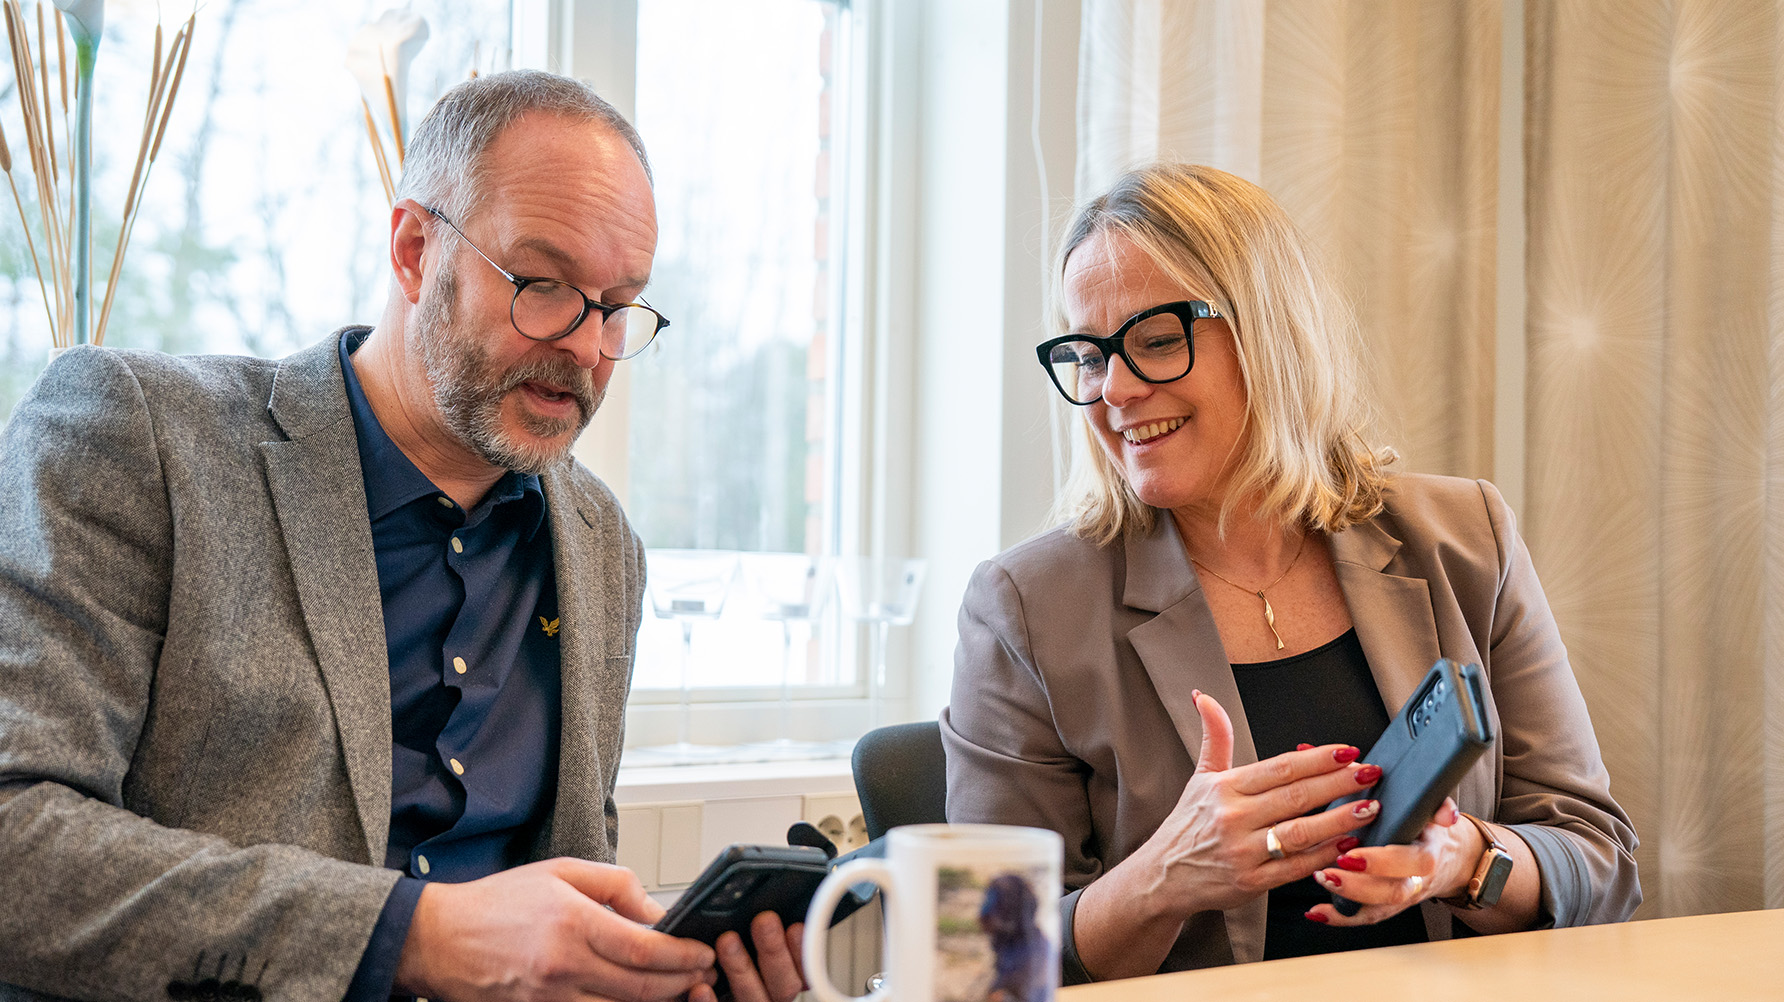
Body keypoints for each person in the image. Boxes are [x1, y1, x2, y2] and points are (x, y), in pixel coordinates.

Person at [0, 71, 804, 1002]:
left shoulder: (601, 544)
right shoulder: (138, 435)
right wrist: (415, 935)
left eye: (618, 305)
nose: (586, 348)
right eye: (544, 285)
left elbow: (565, 893)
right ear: (417, 250)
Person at [940, 162, 1641, 981]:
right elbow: (976, 961)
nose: (1116, 388)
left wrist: (1465, 862)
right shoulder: (1024, 608)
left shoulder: (1465, 541)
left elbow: (1601, 862)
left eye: (1157, 340)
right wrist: (1164, 877)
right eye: (1089, 354)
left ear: (1269, 332)